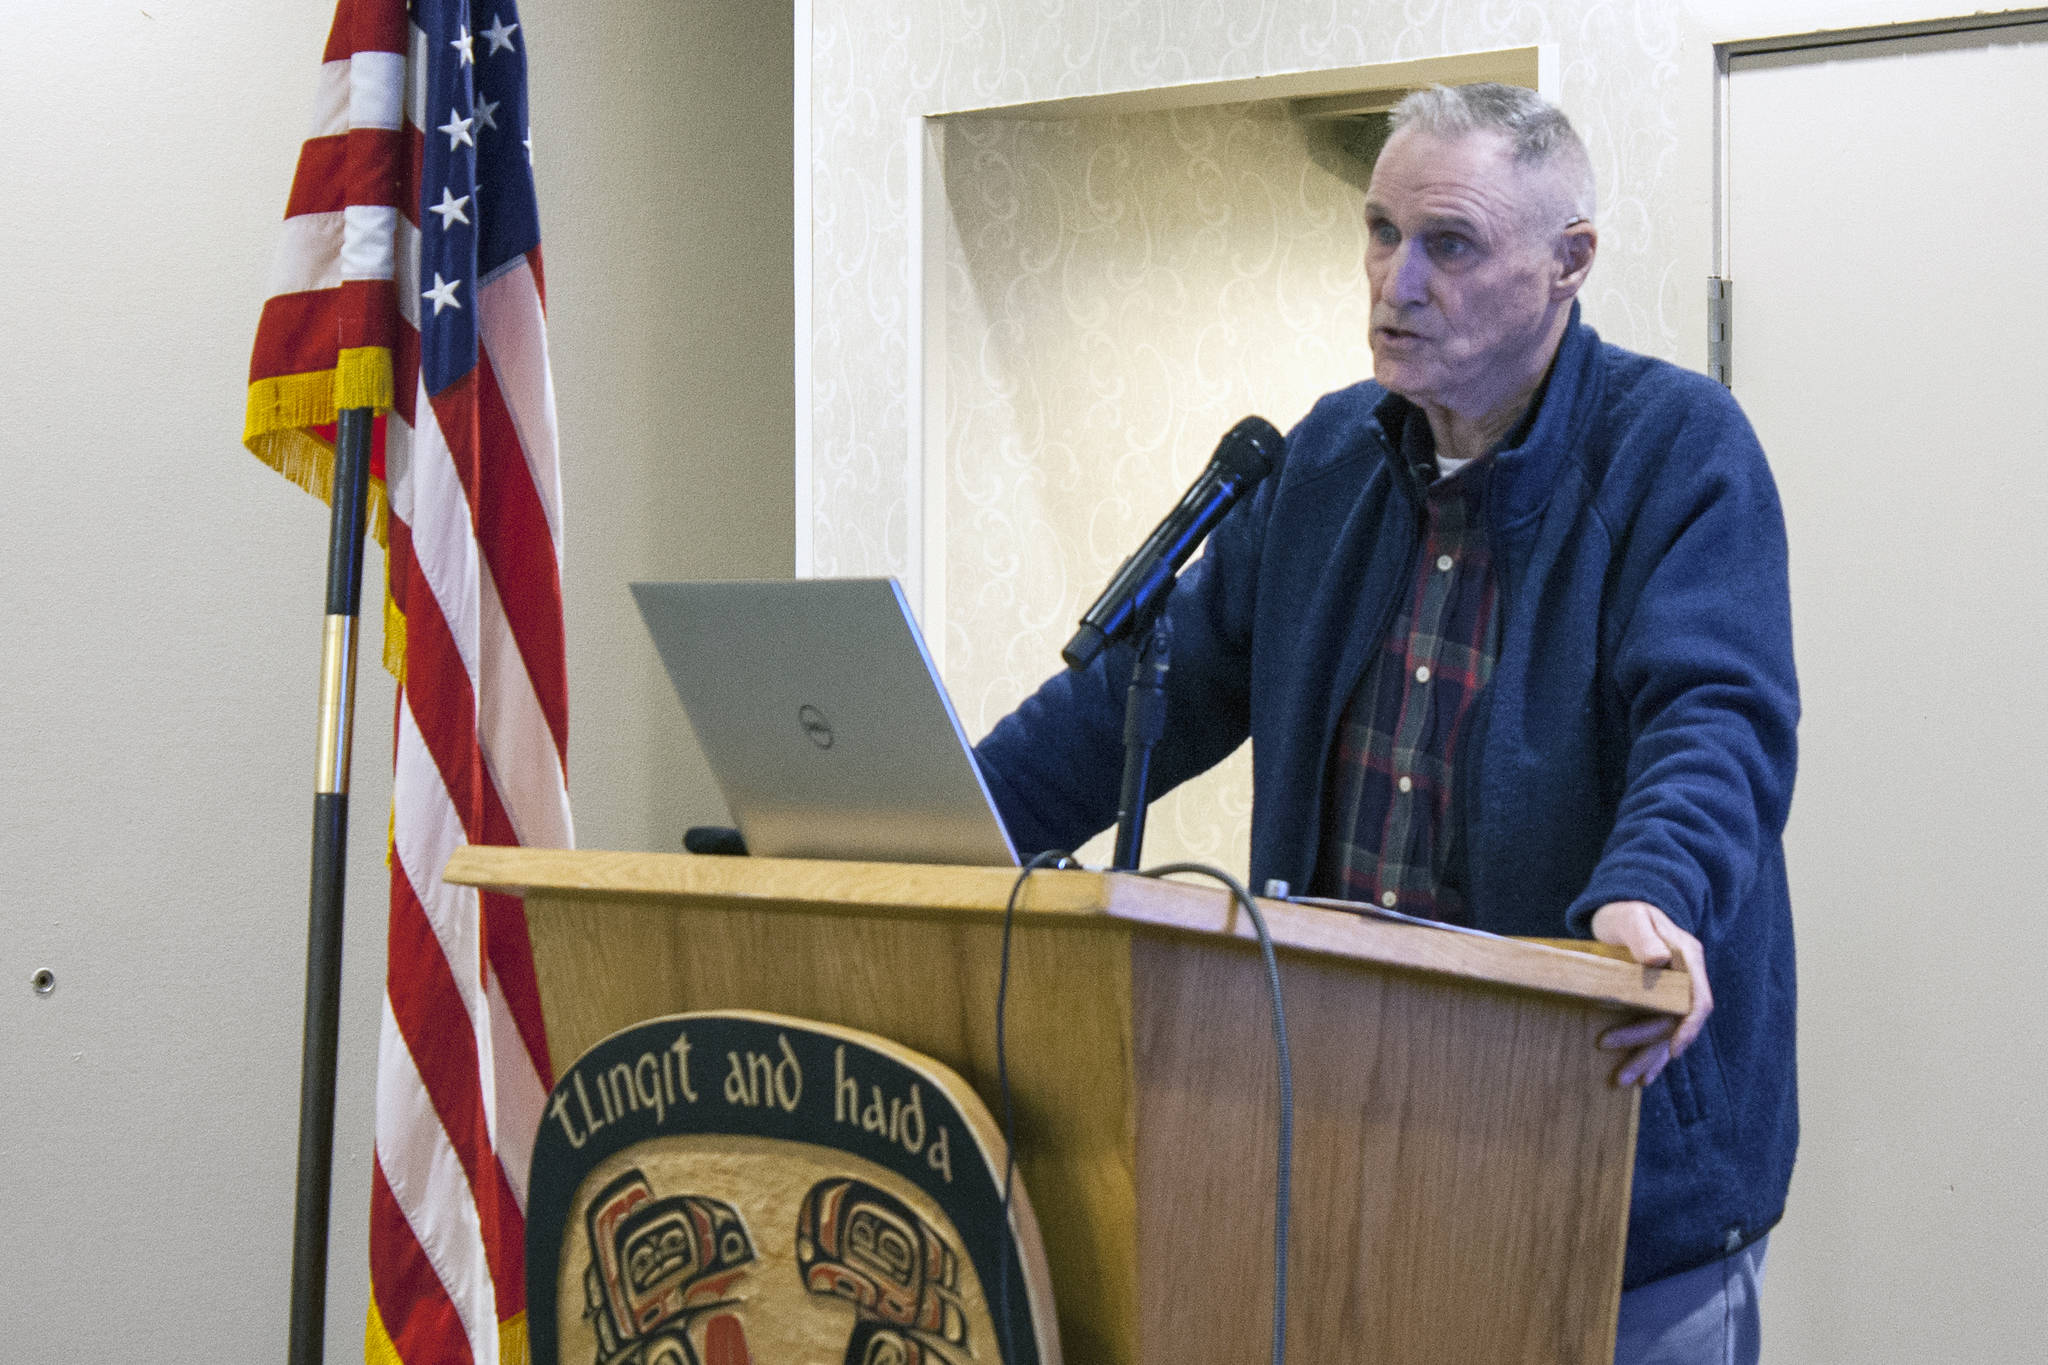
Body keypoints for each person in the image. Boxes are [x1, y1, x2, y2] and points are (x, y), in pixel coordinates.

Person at [973, 82, 1797, 1365]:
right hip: (1344, 1155)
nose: (1394, 280)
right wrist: (937, 822)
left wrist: (1652, 890)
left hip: (1603, 1170)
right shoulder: (1325, 459)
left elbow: (1715, 716)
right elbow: (1137, 701)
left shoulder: (1672, 448)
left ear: (1565, 263)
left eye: (1447, 244)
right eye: (1376, 231)